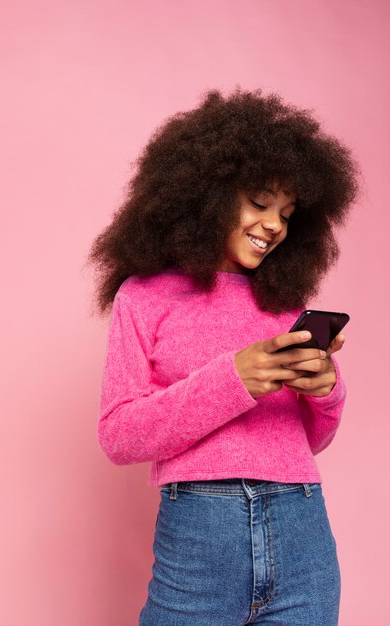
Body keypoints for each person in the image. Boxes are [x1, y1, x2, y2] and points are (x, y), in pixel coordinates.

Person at [87, 88, 359, 625]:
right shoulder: (144, 297)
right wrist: (234, 378)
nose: (275, 226)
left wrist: (325, 387)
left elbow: (316, 438)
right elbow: (118, 435)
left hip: (304, 534)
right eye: (260, 203)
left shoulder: (284, 304)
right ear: (205, 193)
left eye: (286, 213)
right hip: (200, 541)